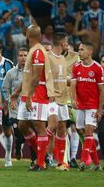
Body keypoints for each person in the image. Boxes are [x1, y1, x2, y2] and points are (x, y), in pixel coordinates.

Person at [13, 24, 53, 171]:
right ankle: (41, 155)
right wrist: (16, 93)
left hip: (38, 93)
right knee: (22, 125)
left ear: (29, 35)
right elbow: (29, 76)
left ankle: (40, 162)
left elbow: (36, 77)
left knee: (40, 127)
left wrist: (29, 96)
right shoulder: (33, 50)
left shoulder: (37, 52)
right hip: (27, 93)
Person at [71, 42, 104, 171]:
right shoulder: (76, 67)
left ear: (90, 52)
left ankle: (83, 161)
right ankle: (96, 164)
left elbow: (102, 91)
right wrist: (73, 99)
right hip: (80, 106)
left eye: (81, 50)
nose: (79, 52)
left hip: (92, 106)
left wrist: (100, 109)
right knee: (81, 131)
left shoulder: (97, 68)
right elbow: (73, 85)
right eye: (78, 50)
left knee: (89, 131)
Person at [46, 33, 71, 170]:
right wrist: (49, 93)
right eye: (66, 42)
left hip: (63, 98)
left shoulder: (62, 58)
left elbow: (62, 78)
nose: (67, 44)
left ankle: (61, 162)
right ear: (62, 43)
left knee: (62, 129)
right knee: (53, 125)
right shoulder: (47, 57)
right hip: (51, 98)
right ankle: (44, 156)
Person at [2, 47, 28, 162]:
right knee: (17, 130)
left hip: (28, 106)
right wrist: (9, 101)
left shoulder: (32, 72)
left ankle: (18, 147)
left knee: (27, 132)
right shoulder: (11, 72)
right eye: (21, 55)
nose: (23, 58)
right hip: (15, 107)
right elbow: (5, 89)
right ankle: (18, 148)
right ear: (17, 57)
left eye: (25, 55)